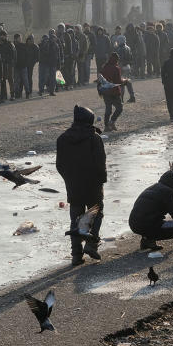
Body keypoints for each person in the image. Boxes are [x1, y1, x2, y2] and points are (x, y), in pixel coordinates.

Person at [56, 105, 106, 266]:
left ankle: (76, 255)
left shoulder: (63, 138)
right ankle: (91, 244)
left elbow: (60, 165)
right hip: (93, 185)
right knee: (96, 214)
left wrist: (69, 180)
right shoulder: (94, 138)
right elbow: (100, 163)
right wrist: (101, 181)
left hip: (73, 185)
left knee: (75, 219)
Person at [129, 169, 173, 250]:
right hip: (147, 225)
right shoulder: (169, 192)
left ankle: (147, 240)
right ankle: (149, 239)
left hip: (133, 223)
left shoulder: (154, 187)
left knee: (151, 220)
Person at [99, 52, 126, 131]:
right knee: (119, 108)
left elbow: (100, 79)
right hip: (114, 92)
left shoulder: (104, 67)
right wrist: (125, 81)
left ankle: (107, 126)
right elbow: (118, 81)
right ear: (116, 60)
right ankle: (112, 122)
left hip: (105, 92)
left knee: (108, 110)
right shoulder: (116, 68)